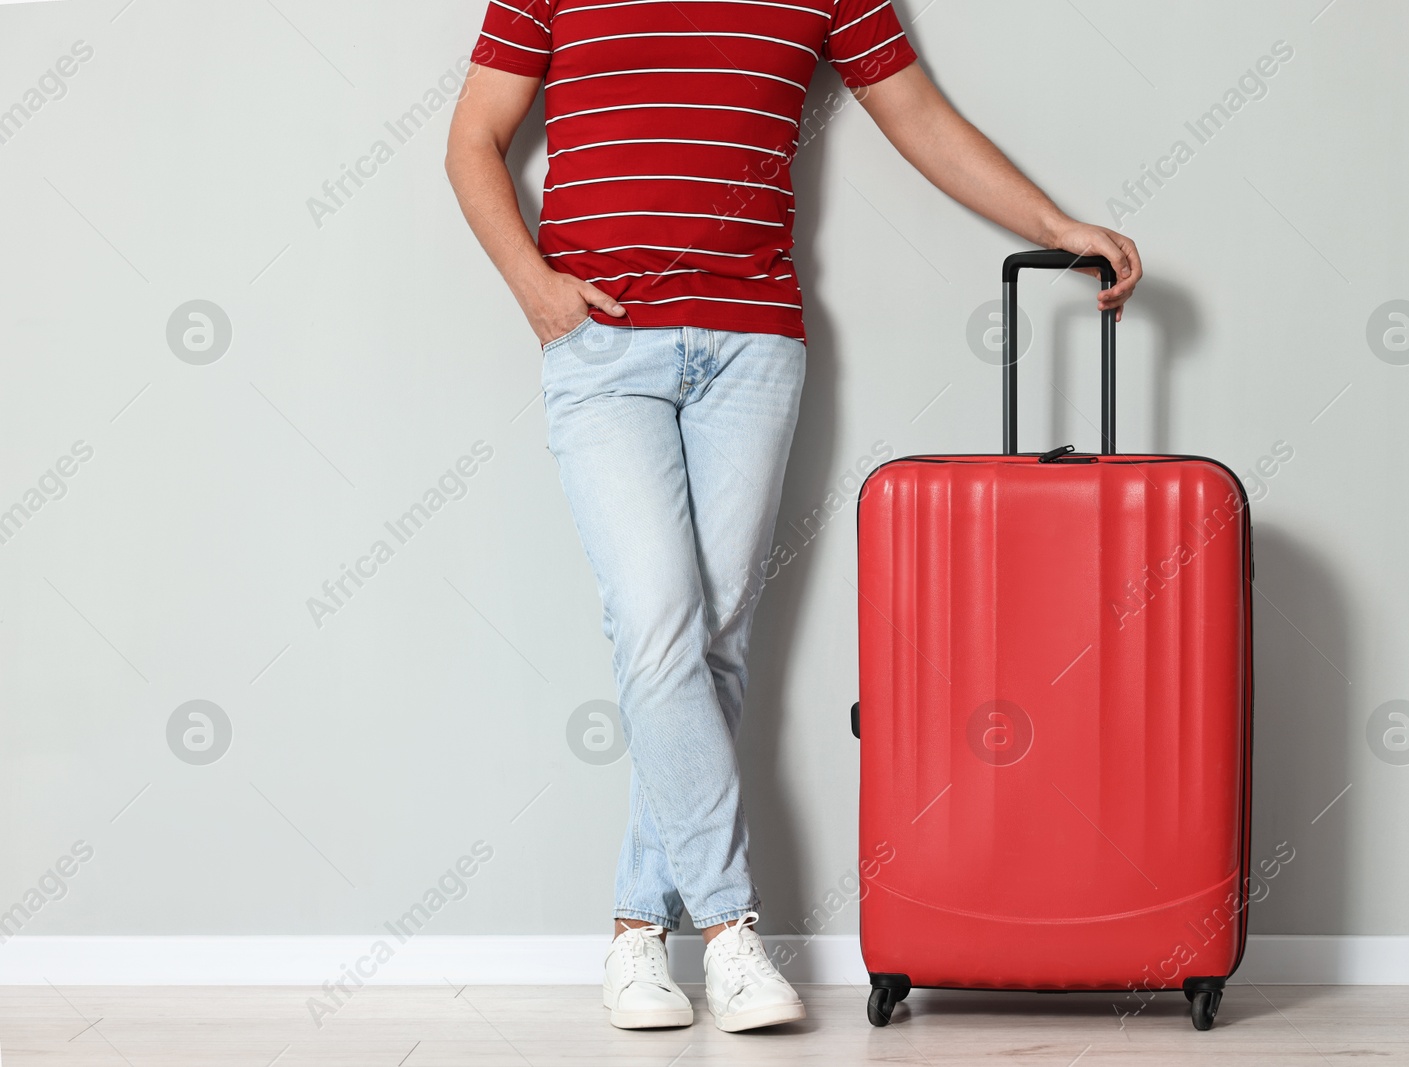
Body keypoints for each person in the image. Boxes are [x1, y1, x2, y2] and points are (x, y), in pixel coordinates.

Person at [444, 0, 1142, 1034]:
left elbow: (918, 116)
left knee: (713, 642)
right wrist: (533, 288)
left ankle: (638, 931)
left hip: (752, 347)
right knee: (656, 621)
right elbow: (473, 140)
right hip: (602, 341)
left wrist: (1055, 227)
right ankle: (729, 930)